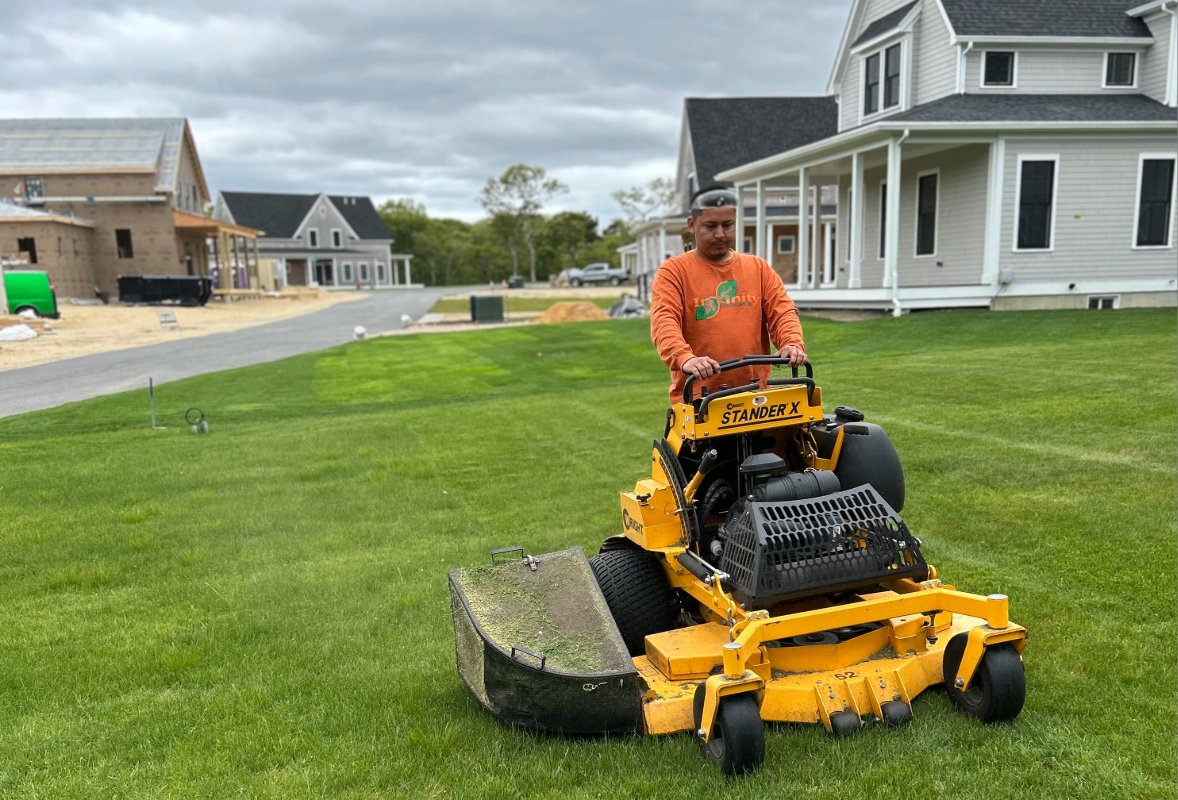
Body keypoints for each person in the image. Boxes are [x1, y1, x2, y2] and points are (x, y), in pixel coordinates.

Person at [650, 186, 806, 404]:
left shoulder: (758, 268)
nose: (720, 234)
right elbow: (664, 321)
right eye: (710, 226)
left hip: (756, 395)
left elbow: (782, 312)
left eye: (727, 225)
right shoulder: (674, 272)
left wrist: (792, 343)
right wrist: (684, 358)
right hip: (700, 398)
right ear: (692, 225)